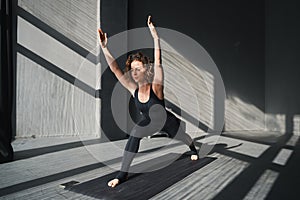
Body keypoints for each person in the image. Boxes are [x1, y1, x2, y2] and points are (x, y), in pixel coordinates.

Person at [98, 16, 199, 188]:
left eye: (138, 68)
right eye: (132, 69)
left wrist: (156, 38)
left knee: (183, 137)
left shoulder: (156, 87)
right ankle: (122, 175)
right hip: (148, 123)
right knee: (135, 133)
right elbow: (115, 69)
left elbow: (158, 63)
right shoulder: (133, 89)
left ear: (146, 69)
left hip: (167, 122)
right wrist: (104, 48)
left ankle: (193, 149)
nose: (135, 72)